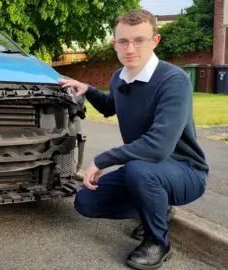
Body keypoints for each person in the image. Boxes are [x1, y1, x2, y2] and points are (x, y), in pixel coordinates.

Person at [58, 9, 209, 270]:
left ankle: (158, 242)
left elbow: (159, 146)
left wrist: (103, 159)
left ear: (155, 41)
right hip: (145, 170)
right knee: (86, 202)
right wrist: (88, 88)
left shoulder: (174, 80)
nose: (130, 48)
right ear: (114, 42)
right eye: (123, 41)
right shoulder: (120, 77)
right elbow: (109, 106)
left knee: (139, 169)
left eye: (139, 40)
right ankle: (159, 208)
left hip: (186, 171)